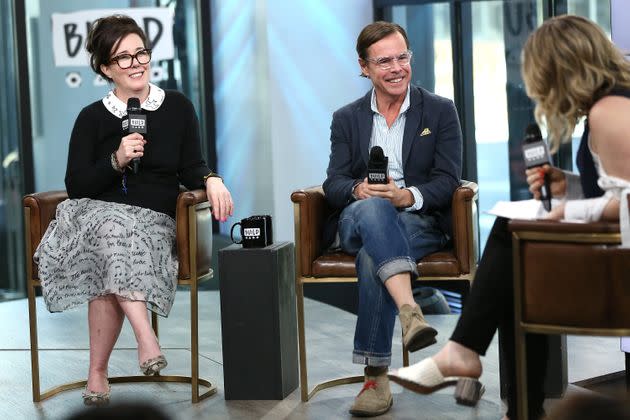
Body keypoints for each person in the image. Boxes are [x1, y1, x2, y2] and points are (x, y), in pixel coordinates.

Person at [389, 14, 630, 419]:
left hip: (618, 272)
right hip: (609, 254)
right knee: (515, 267)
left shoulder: (610, 111)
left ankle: (473, 362)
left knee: (512, 245)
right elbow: (614, 188)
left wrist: (568, 210)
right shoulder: (610, 105)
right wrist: (566, 185)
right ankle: (504, 394)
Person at [33, 15, 233, 406]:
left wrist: (211, 178)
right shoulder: (91, 118)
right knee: (109, 229)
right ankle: (146, 338)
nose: (136, 62)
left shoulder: (176, 107)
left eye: (140, 52)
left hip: (153, 224)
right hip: (94, 217)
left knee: (111, 248)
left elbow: (192, 164)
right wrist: (116, 159)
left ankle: (97, 374)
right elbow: (77, 185)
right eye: (123, 58)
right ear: (106, 68)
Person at [322, 21, 462, 416]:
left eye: (403, 57)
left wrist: (407, 195)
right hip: (358, 218)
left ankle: (375, 378)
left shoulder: (439, 110)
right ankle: (408, 309)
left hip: (416, 221)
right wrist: (357, 190)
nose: (397, 67)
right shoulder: (347, 118)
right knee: (373, 208)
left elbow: (449, 180)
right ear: (364, 67)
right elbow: (333, 181)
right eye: (385, 61)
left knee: (373, 258)